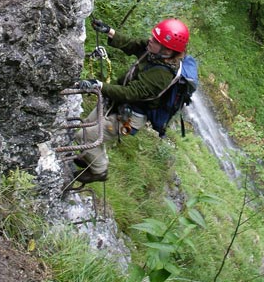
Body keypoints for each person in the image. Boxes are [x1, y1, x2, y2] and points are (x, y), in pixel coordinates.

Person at [72, 18, 190, 184]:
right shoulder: (154, 52)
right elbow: (134, 45)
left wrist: (99, 85)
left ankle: (100, 170)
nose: (150, 39)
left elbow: (130, 93)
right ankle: (89, 158)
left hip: (129, 117)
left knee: (84, 135)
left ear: (167, 50)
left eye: (155, 40)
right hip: (117, 104)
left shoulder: (162, 76)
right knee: (88, 127)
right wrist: (109, 31)